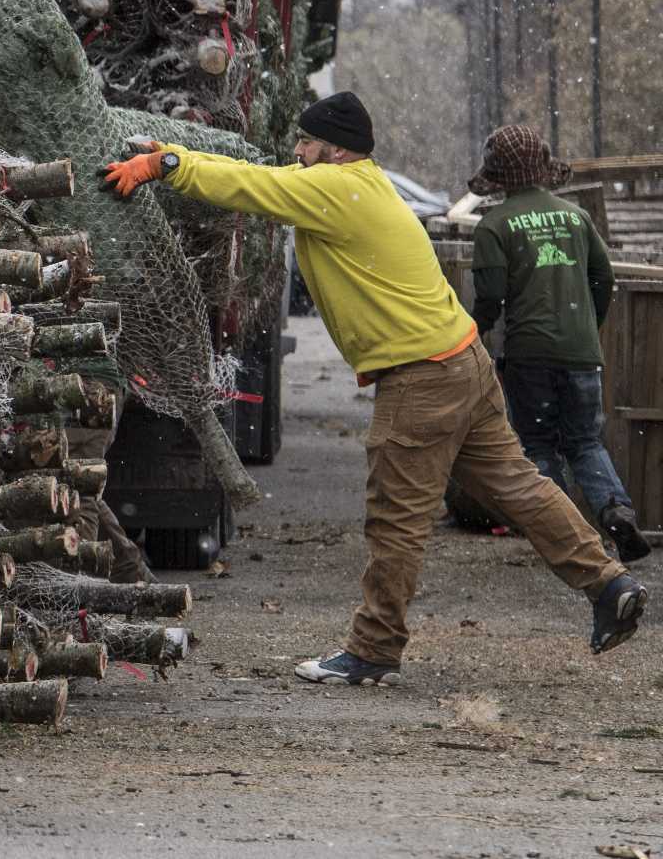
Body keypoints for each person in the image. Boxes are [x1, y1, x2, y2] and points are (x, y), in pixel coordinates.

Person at [101, 92, 646, 684]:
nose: (297, 152)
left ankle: (373, 649)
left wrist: (169, 167)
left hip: (420, 380)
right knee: (521, 488)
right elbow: (267, 177)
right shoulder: (364, 183)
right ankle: (609, 582)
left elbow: (251, 188)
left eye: (305, 144)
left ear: (332, 150)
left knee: (396, 519)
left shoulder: (332, 189)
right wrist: (176, 152)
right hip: (464, 361)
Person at [469, 125, 649, 564]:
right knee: (587, 442)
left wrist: (473, 336)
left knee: (539, 446)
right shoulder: (576, 217)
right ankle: (616, 508)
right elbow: (604, 279)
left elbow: (491, 299)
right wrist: (588, 325)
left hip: (530, 356)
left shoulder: (494, 225)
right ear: (542, 170)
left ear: (498, 178)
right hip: (581, 352)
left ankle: (563, 539)